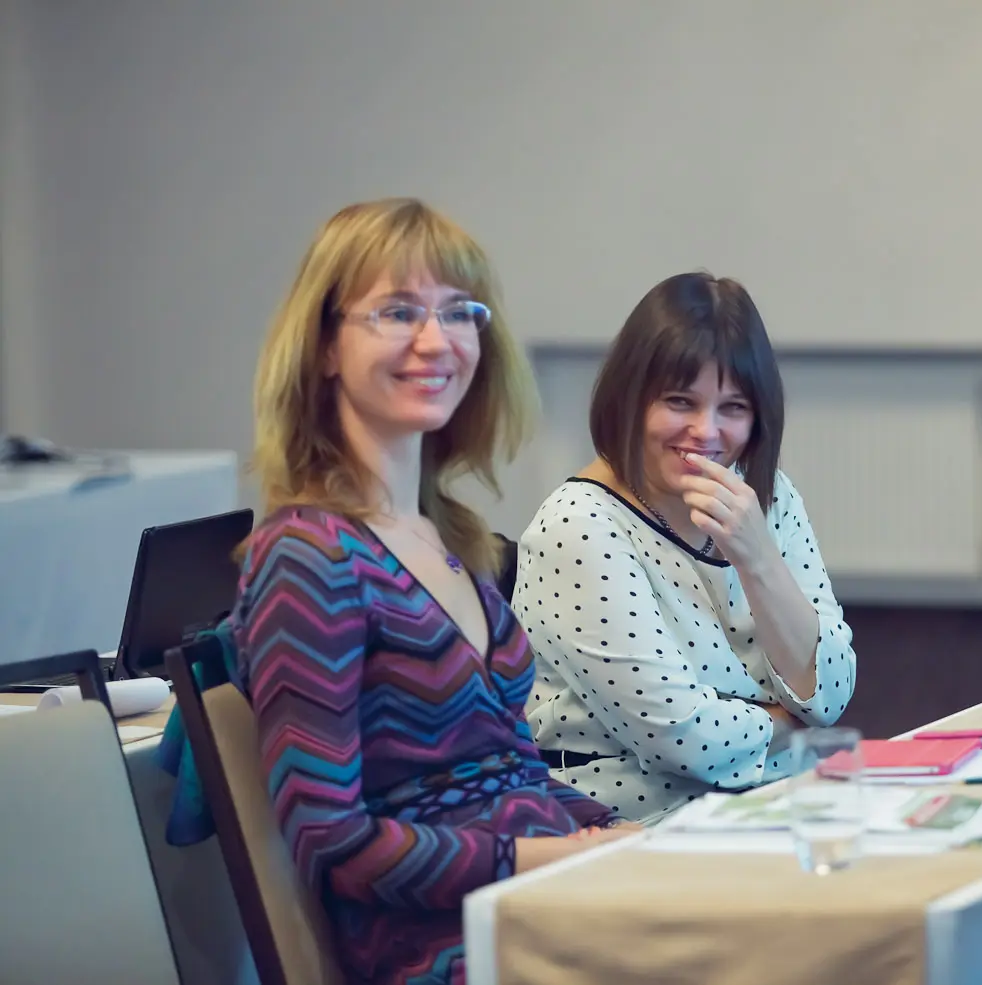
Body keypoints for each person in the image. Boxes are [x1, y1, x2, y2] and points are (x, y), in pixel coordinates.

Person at [234, 198, 636, 985]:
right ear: (324, 345)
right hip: (442, 947)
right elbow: (333, 843)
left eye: (458, 312)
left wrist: (612, 831)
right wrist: (554, 855)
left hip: (540, 903)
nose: (436, 339)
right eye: (397, 312)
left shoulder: (447, 533)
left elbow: (508, 766)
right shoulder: (308, 555)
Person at [513, 271, 858, 822]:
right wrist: (788, 723)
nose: (706, 431)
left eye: (733, 408)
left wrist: (758, 558)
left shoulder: (766, 497)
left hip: (774, 803)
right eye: (680, 402)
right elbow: (683, 739)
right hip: (637, 827)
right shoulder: (577, 527)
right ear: (630, 398)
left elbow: (832, 689)